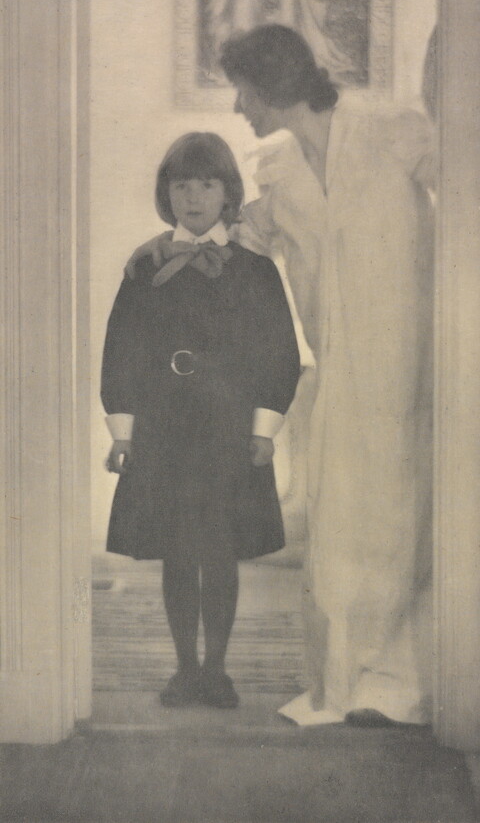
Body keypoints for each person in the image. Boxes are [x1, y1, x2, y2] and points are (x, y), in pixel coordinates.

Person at [126, 25, 435, 727]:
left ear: (274, 83)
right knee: (341, 528)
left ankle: (403, 682)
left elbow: (479, 193)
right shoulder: (280, 172)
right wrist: (167, 251)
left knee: (411, 524)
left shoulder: (391, 131)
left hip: (416, 367)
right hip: (342, 378)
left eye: (244, 90)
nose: (239, 106)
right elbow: (237, 238)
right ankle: (343, 685)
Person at [102, 131, 300, 710]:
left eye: (207, 185)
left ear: (228, 193)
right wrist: (123, 434)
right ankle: (184, 669)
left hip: (227, 430)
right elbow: (120, 353)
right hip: (163, 429)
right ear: (166, 193)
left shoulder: (254, 271)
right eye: (182, 185)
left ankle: (216, 669)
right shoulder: (144, 269)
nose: (193, 197)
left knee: (219, 550)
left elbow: (279, 354)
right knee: (177, 551)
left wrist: (263, 430)